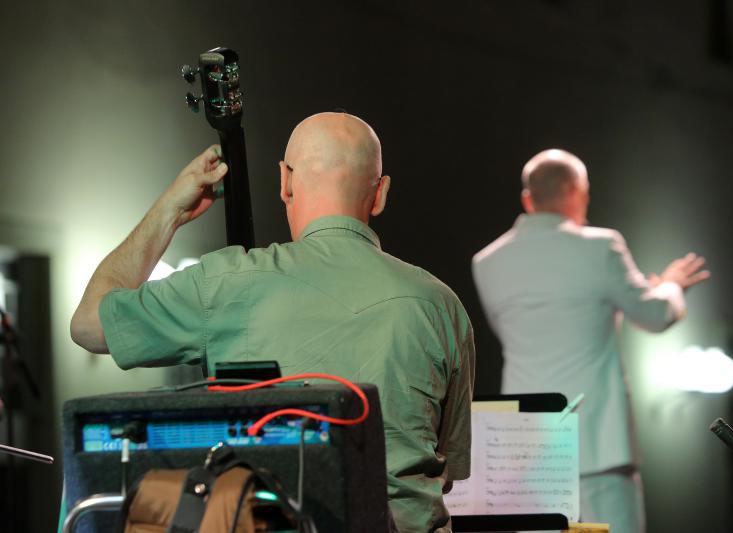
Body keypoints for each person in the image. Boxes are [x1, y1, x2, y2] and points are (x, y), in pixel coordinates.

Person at [71, 112, 475, 533]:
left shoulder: (224, 284)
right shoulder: (440, 305)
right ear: (381, 194)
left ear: (284, 181)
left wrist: (171, 210)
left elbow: (87, 324)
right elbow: (445, 470)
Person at [471, 149, 709, 533]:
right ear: (576, 191)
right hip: (598, 446)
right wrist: (670, 285)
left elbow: (518, 332)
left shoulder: (488, 261)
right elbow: (655, 314)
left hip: (525, 450)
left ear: (527, 199)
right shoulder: (601, 246)